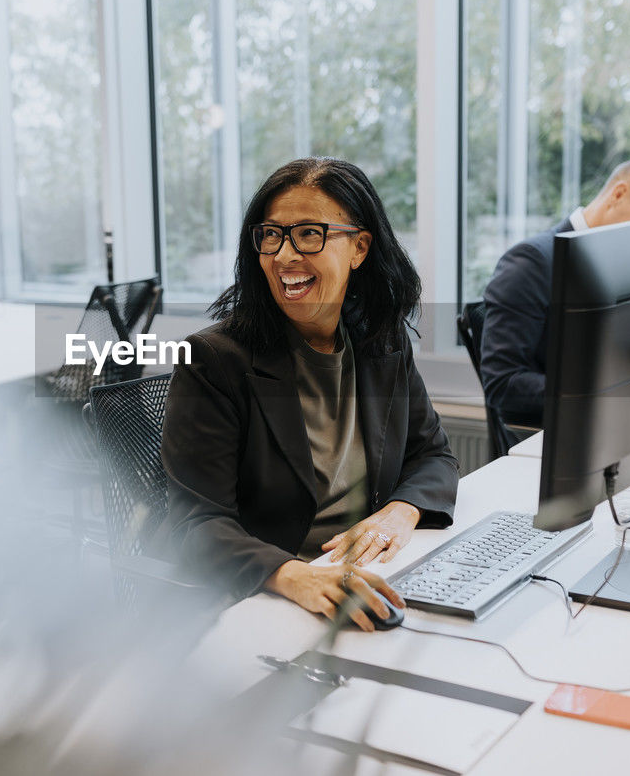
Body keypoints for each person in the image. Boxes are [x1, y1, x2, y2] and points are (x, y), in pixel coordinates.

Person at [162, 158, 460, 632]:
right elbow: (193, 525)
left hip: (373, 577)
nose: (283, 256)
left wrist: (400, 514)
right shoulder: (214, 361)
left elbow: (433, 454)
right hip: (268, 595)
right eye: (272, 235)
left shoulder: (381, 340)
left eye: (308, 234)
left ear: (359, 247)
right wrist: (294, 576)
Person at [480, 157, 630, 427]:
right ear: (618, 194)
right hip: (557, 434)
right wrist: (602, 395)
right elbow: (502, 382)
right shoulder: (532, 262)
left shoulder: (626, 268)